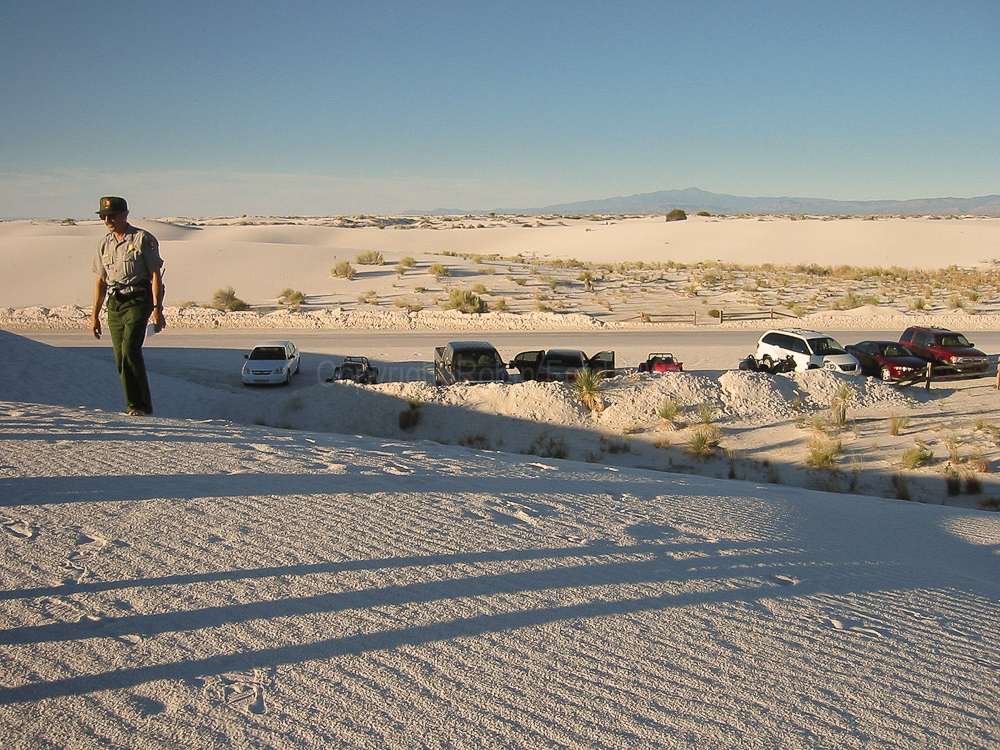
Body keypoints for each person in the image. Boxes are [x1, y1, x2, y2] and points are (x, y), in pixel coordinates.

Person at [90, 196, 166, 416]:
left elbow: (155, 275)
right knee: (119, 356)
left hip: (138, 299)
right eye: (104, 216)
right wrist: (94, 316)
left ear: (125, 214)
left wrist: (157, 309)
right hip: (115, 303)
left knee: (130, 350)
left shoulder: (142, 239)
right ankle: (133, 403)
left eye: (112, 215)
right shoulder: (104, 243)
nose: (107, 219)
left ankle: (139, 406)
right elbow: (101, 281)